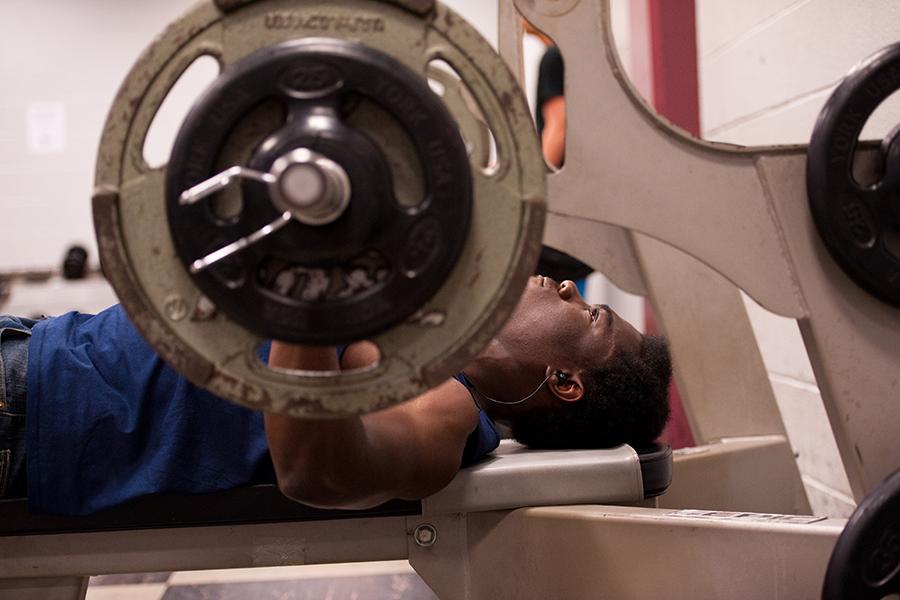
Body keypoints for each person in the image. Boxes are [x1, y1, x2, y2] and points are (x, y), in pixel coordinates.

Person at [0, 275, 671, 516]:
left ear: (564, 380)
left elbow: (314, 471)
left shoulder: (446, 408)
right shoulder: (415, 327)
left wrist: (311, 288)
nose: (564, 287)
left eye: (587, 315)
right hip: (32, 347)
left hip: (29, 413)